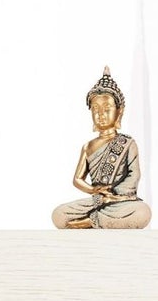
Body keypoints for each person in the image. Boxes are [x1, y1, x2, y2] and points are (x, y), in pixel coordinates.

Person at [52, 67, 152, 229]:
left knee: (142, 212)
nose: (101, 114)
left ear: (119, 112)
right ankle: (98, 219)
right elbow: (77, 179)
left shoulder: (127, 143)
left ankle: (92, 221)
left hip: (120, 201)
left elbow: (134, 175)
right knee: (58, 215)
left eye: (107, 109)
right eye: (96, 109)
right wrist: (94, 191)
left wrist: (112, 196)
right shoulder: (88, 146)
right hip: (97, 200)